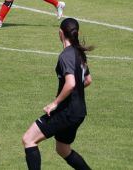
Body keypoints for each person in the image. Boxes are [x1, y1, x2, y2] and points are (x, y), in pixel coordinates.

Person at [22, 18, 93, 170]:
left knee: (28, 139)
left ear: (60, 33)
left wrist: (55, 103)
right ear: (77, 33)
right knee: (63, 149)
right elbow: (87, 80)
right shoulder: (79, 53)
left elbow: (71, 83)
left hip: (67, 112)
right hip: (79, 112)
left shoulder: (65, 55)